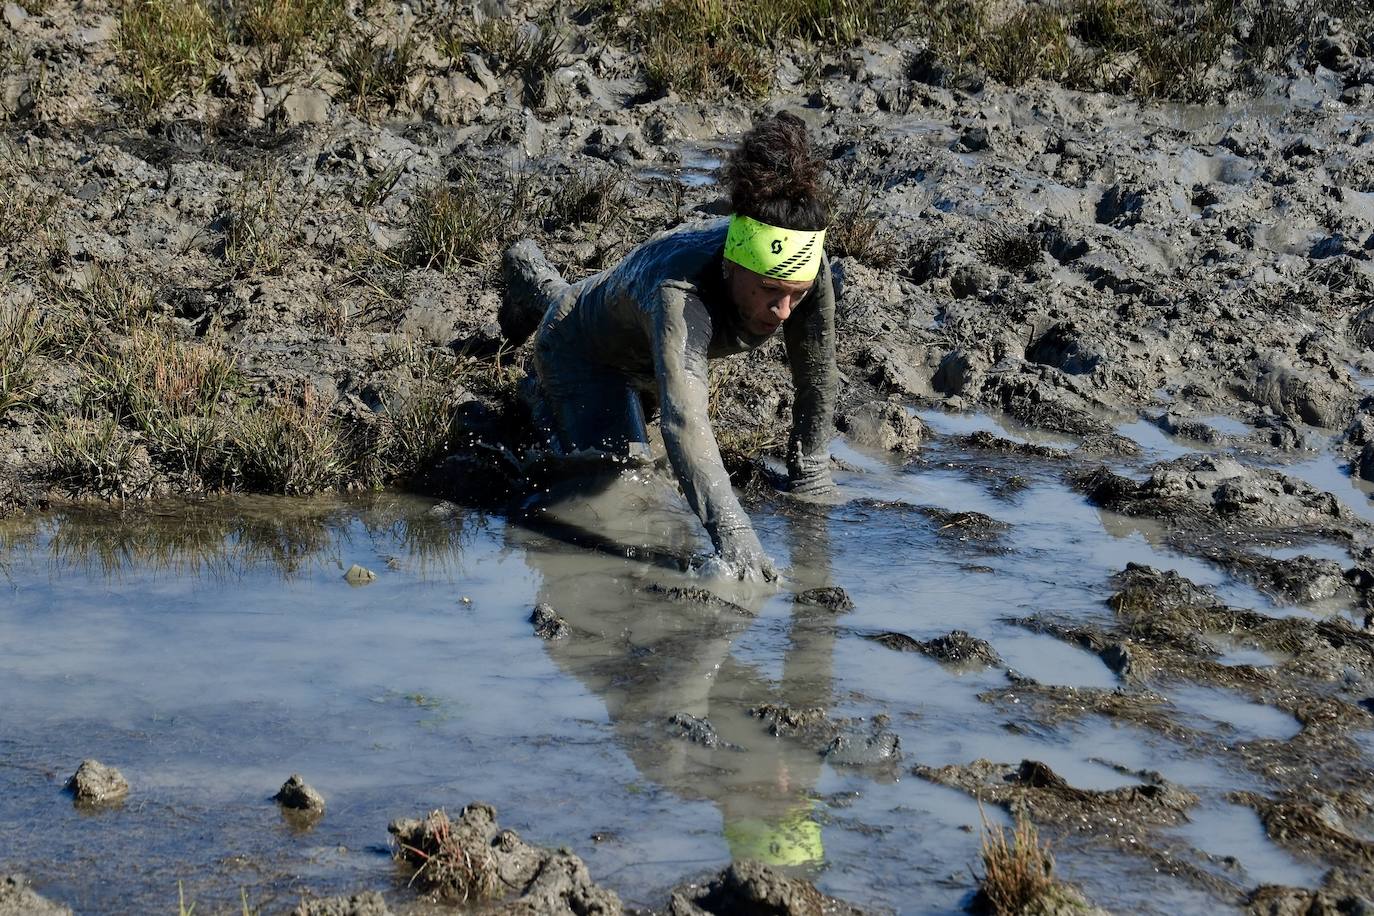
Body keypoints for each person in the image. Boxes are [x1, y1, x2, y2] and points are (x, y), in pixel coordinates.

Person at [500, 112, 839, 581]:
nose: (784, 311)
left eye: (796, 296)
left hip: (638, 339)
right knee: (625, 481)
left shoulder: (807, 265)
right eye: (768, 291)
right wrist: (737, 541)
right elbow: (685, 422)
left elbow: (817, 376)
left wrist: (812, 471)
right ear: (731, 268)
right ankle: (536, 363)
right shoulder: (682, 292)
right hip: (585, 351)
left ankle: (529, 280)